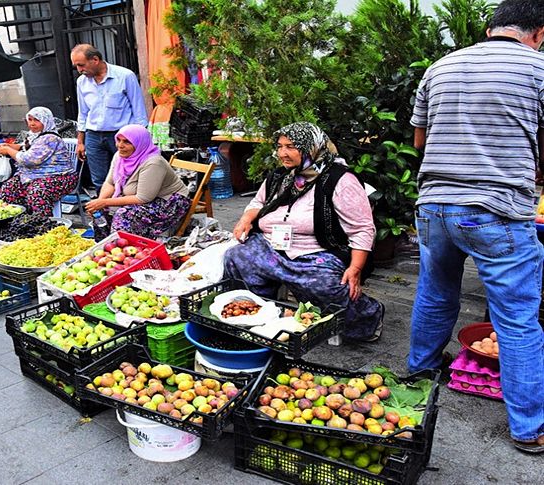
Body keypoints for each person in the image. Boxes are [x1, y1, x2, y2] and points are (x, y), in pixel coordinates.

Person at [409, 0, 544, 454]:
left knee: (434, 291)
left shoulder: (440, 66)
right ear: (538, 32)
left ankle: (419, 375)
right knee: (518, 319)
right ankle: (529, 429)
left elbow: (420, 140)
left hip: (435, 206)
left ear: (491, 28)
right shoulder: (538, 68)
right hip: (498, 210)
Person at [224, 122, 383, 341]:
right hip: (273, 246)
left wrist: (356, 268)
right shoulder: (282, 176)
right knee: (237, 257)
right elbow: (258, 201)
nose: (282, 153)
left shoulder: (339, 179)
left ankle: (367, 319)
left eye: (290, 147)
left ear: (312, 148)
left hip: (317, 252)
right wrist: (246, 218)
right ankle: (260, 314)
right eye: (280, 146)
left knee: (324, 284)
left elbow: (363, 228)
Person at [85, 124, 190, 240]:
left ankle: (122, 249)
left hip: (168, 201)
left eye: (127, 142)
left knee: (124, 215)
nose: (120, 145)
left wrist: (105, 202)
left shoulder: (153, 162)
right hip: (142, 197)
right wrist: (100, 202)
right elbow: (110, 183)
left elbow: (143, 198)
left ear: (139, 144)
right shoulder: (120, 156)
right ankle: (104, 245)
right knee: (100, 211)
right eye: (118, 140)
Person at [70, 44, 148, 194]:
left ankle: (127, 212)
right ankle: (106, 214)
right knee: (99, 179)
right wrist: (80, 141)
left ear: (95, 59)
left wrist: (140, 141)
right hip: (93, 135)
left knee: (127, 176)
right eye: (76, 66)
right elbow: (83, 113)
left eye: (81, 65)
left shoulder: (125, 76)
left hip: (121, 135)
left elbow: (139, 112)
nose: (79, 70)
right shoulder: (82, 82)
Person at [0, 106, 77, 217]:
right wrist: (10, 146)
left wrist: (8, 150)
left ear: (46, 121)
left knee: (37, 192)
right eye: (30, 119)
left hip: (61, 178)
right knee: (8, 188)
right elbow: (26, 147)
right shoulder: (35, 136)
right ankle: (16, 222)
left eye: (37, 120)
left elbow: (28, 160)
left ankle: (42, 225)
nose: (32, 123)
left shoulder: (50, 138)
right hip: (35, 176)